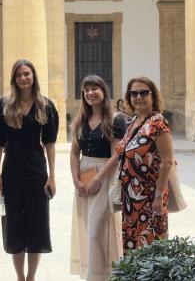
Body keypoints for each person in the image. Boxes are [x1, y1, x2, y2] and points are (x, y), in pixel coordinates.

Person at [0, 59, 59, 281]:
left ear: (33, 76)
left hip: (36, 171)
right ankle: (20, 277)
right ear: (14, 78)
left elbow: (50, 143)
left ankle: (31, 277)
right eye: (19, 75)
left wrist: (52, 176)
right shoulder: (4, 105)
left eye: (27, 74)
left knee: (36, 225)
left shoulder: (45, 105)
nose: (23, 78)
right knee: (14, 226)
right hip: (11, 171)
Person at [69, 75, 125, 280]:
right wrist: (76, 179)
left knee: (98, 229)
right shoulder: (81, 120)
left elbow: (117, 154)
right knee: (87, 228)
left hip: (105, 175)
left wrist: (98, 178)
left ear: (104, 91)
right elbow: (74, 153)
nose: (90, 93)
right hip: (84, 175)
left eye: (94, 89)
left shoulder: (116, 119)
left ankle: (102, 275)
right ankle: (97, 274)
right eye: (86, 90)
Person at [116, 76, 175, 252]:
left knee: (151, 246)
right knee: (132, 244)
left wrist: (158, 196)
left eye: (143, 93)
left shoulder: (157, 122)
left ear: (153, 96)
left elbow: (167, 161)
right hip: (131, 198)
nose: (138, 97)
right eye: (133, 93)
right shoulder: (134, 122)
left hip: (150, 198)